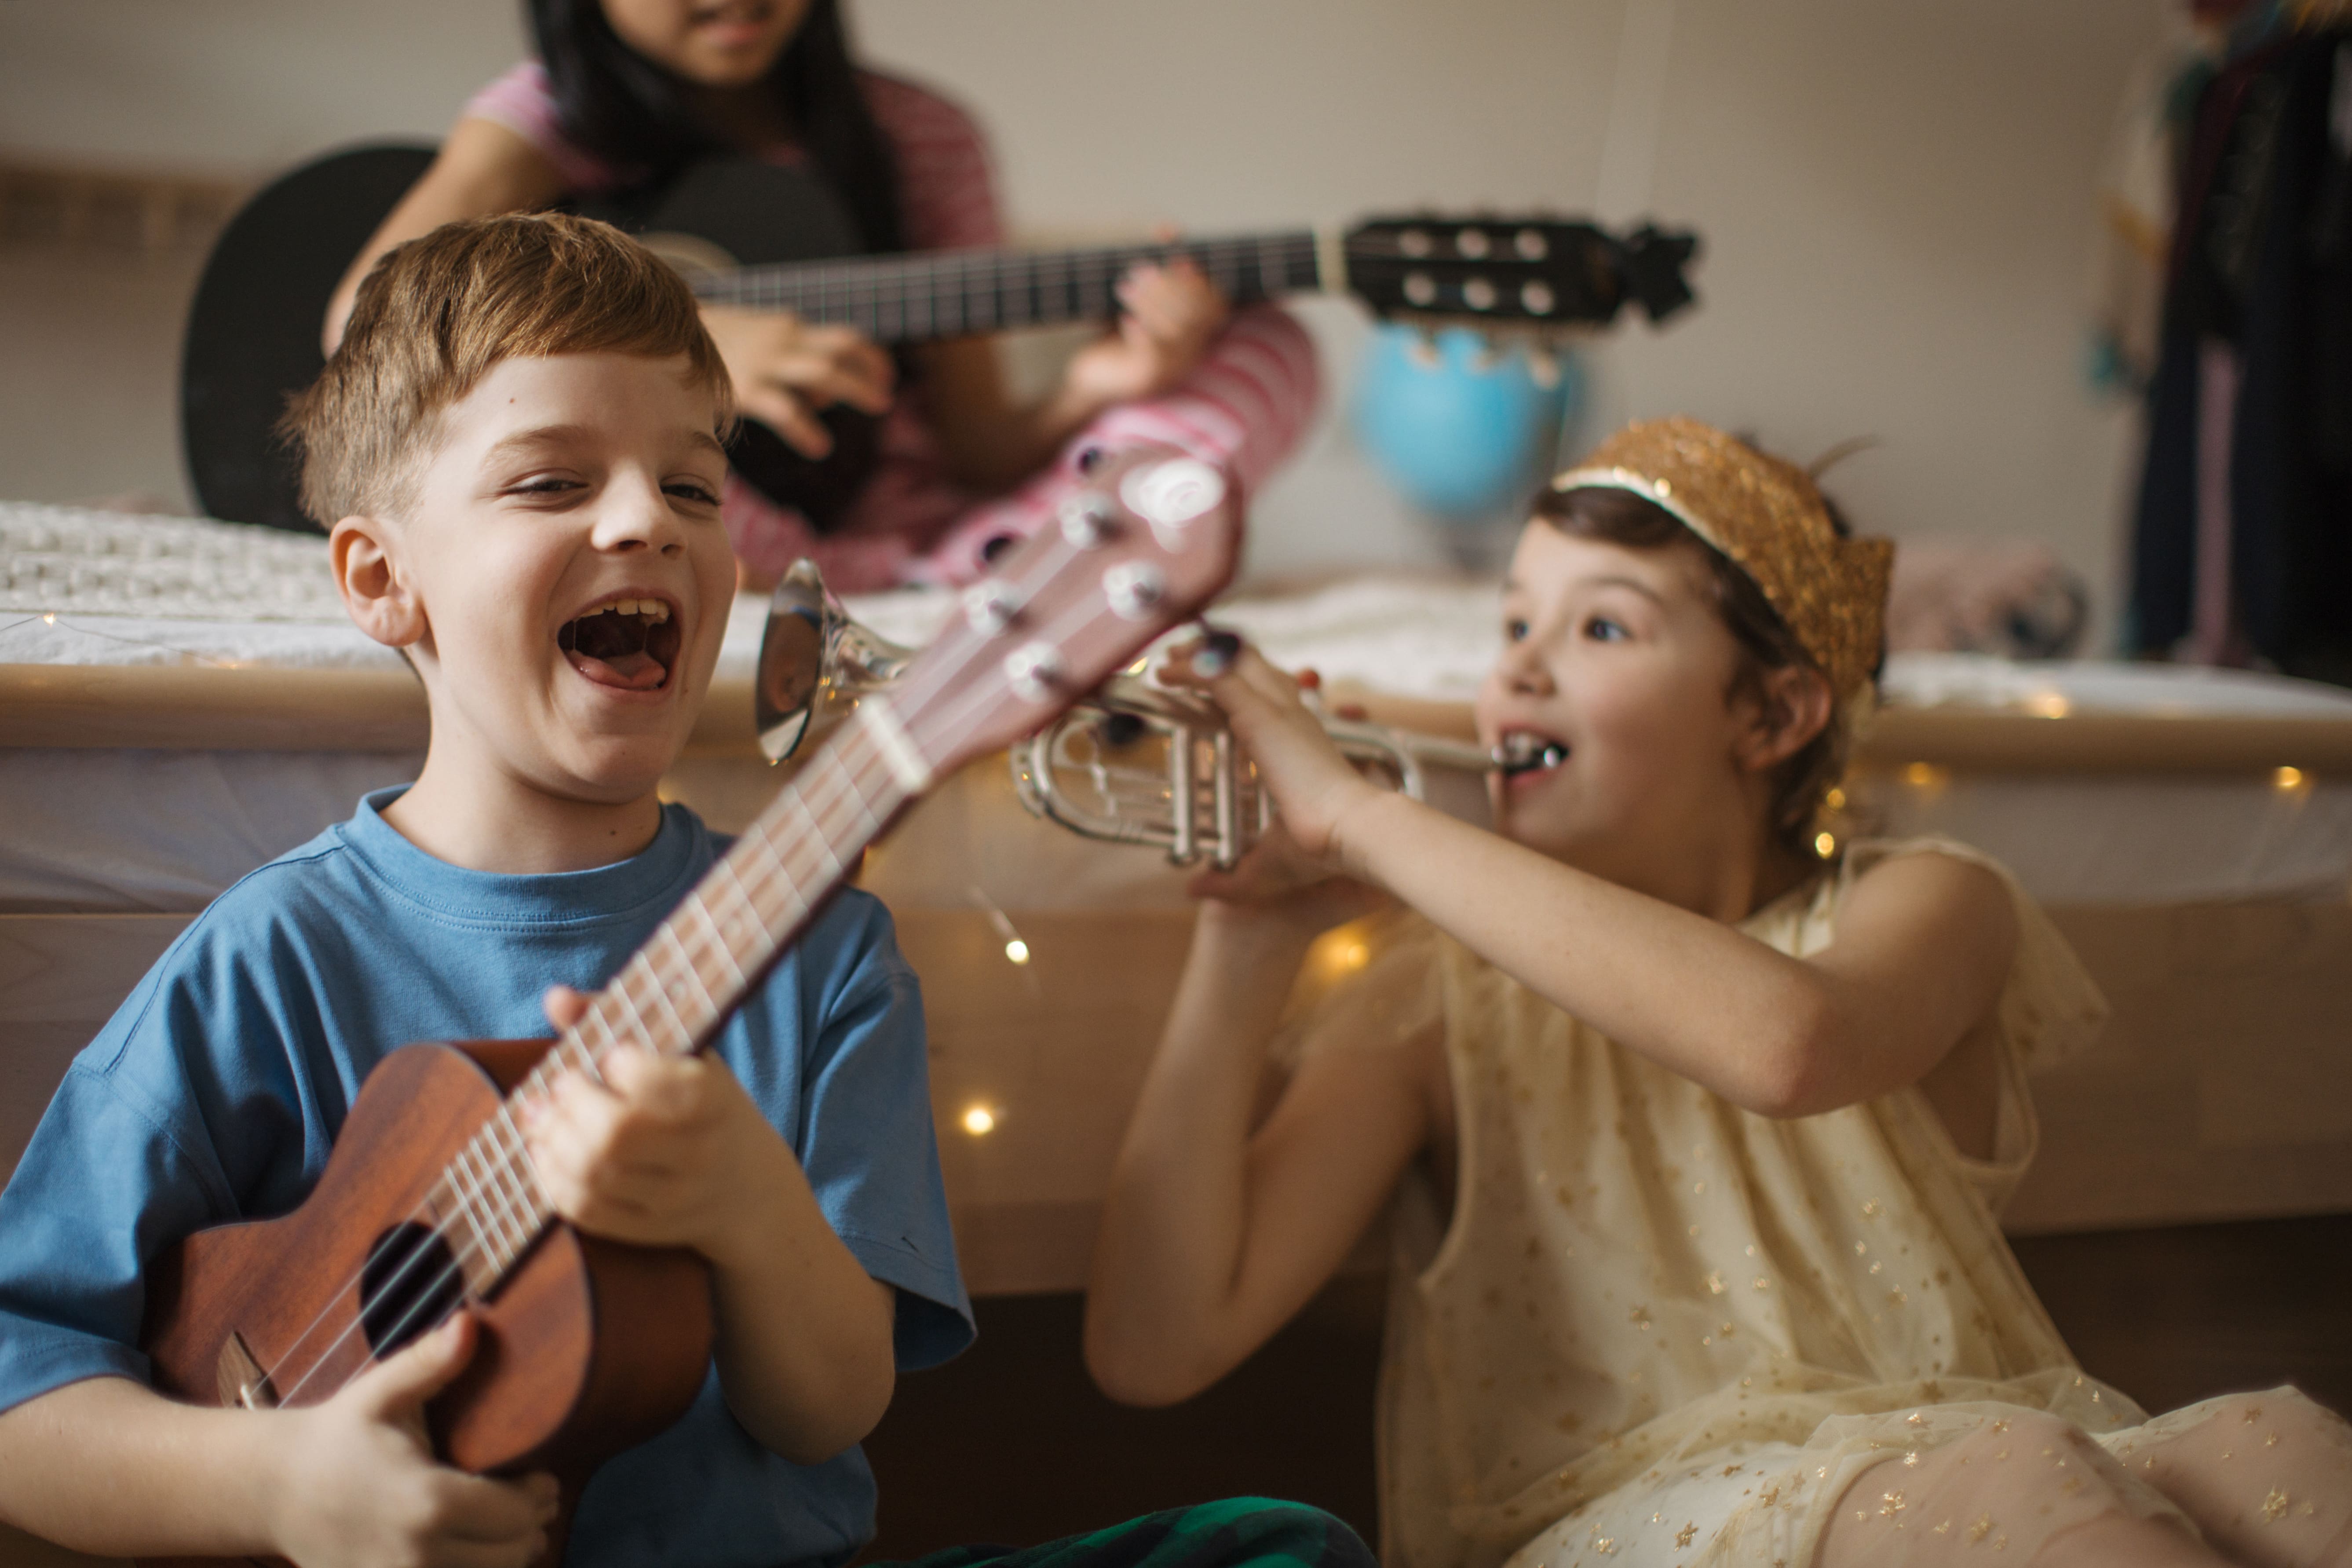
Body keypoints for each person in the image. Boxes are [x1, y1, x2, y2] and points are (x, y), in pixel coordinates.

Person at [0, 212, 1373, 1568]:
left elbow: (835, 1403)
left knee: (1281, 1547)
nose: (645, 519)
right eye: (550, 483)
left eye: (695, 487)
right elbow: (19, 1381)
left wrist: (744, 1201)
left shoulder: (824, 949)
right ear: (382, 578)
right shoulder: (276, 952)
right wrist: (278, 1489)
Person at [1084, 417, 2352, 1568]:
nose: (1519, 671)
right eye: (1512, 623)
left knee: (2275, 1446)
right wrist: (1249, 942)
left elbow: (1787, 1043)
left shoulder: (1921, 898)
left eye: (1600, 627)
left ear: (1773, 712)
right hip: (1630, 1523)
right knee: (2016, 1472)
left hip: (1964, 1470)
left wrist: (1356, 814)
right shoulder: (1438, 997)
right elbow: (1156, 1344)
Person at [324, 0, 1318, 594]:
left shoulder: (919, 139)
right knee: (589, 464)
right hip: (719, 517)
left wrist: (1108, 382)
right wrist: (686, 338)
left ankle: (984, 567)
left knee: (1272, 342)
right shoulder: (544, 121)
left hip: (931, 518)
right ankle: (962, 579)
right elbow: (368, 315)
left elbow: (975, 446)